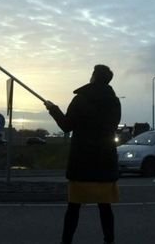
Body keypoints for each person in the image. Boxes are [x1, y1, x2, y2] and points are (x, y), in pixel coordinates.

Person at [45, 65, 121, 244]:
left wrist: (53, 109)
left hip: (82, 161)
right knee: (105, 207)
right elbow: (112, 127)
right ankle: (109, 241)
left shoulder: (81, 99)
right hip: (104, 161)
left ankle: (66, 241)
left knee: (73, 207)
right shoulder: (114, 101)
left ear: (94, 77)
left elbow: (66, 125)